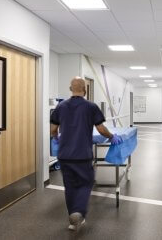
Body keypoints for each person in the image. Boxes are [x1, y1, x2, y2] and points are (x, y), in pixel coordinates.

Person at [50, 77, 122, 231]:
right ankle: (78, 212)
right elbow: (101, 129)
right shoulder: (90, 107)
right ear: (85, 90)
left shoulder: (61, 106)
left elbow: (53, 130)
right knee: (86, 182)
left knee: (69, 186)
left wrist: (56, 139)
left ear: (70, 88)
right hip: (82, 154)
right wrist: (111, 136)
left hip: (64, 154)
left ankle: (72, 220)